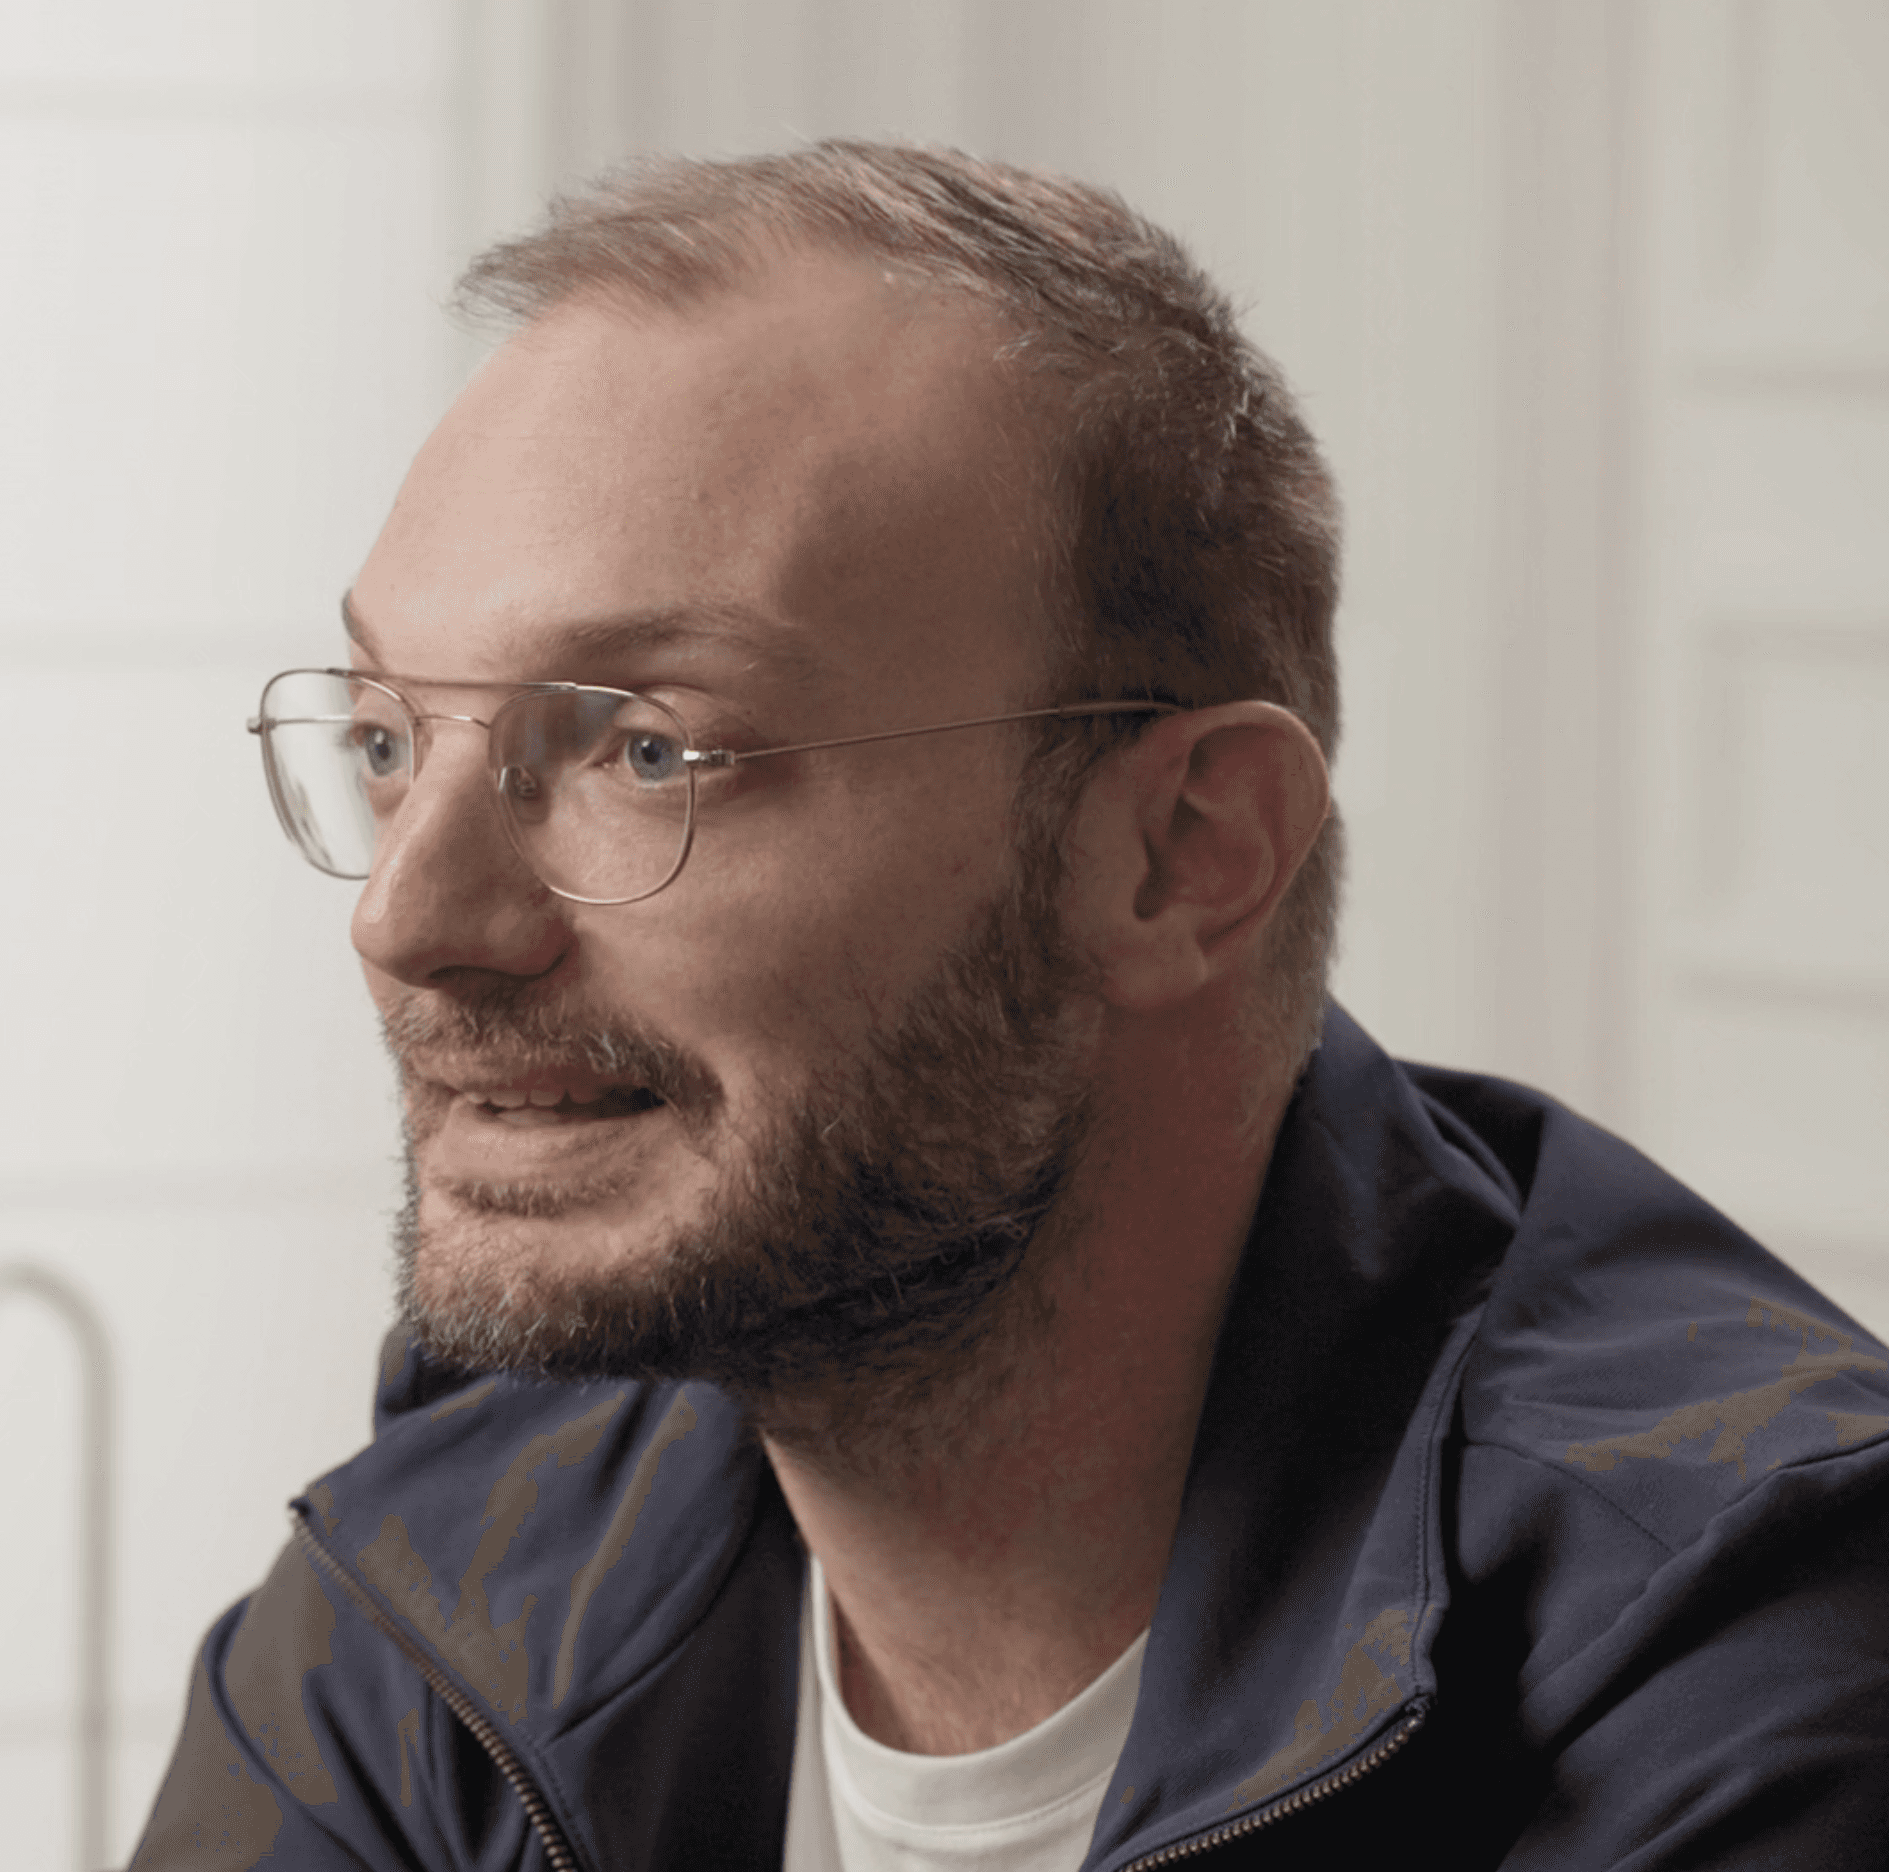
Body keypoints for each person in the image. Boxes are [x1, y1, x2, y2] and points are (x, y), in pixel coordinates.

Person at [132, 141, 1889, 1871]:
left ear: (1182, 854)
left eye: (649, 752)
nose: (407, 916)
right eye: (387, 740)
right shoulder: (455, 1580)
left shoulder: (1746, 1659)